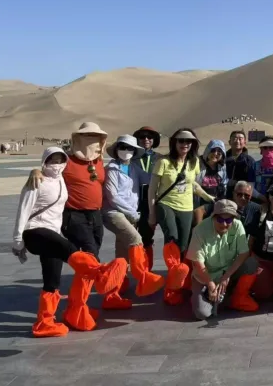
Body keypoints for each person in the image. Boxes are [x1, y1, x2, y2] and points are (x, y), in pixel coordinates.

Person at [13, 147, 127, 336]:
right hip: (34, 232)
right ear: (45, 160)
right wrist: (18, 241)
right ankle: (100, 273)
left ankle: (45, 322)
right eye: (52, 160)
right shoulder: (36, 181)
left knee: (52, 278)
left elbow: (82, 167)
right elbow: (23, 210)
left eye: (60, 160)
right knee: (71, 250)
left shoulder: (61, 180)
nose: (56, 164)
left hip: (54, 233)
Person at [25, 122, 112, 328]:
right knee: (90, 255)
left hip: (95, 216)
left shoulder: (99, 161)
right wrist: (35, 170)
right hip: (73, 216)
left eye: (96, 136)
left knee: (90, 255)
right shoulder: (67, 160)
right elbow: (50, 167)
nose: (92, 139)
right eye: (87, 135)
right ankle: (76, 307)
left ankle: (77, 306)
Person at [147, 128, 213, 305]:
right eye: (181, 141)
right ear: (174, 143)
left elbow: (194, 186)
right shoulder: (163, 162)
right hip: (166, 204)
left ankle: (181, 281)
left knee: (184, 246)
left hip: (187, 207)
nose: (185, 144)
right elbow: (152, 190)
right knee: (172, 240)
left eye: (188, 141)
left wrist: (209, 197)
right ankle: (171, 288)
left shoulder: (194, 163)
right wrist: (152, 214)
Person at [102, 135, 166, 309]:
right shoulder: (112, 169)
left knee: (122, 254)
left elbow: (150, 179)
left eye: (130, 148)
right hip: (115, 213)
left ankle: (114, 291)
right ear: (116, 150)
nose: (126, 151)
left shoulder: (134, 168)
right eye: (122, 147)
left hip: (131, 215)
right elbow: (112, 197)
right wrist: (132, 212)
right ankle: (143, 277)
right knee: (135, 239)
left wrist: (166, 166)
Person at [187, 199, 259, 320]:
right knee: (202, 314)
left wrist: (226, 276)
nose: (224, 224)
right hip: (205, 275)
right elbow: (197, 262)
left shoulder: (237, 225)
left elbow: (244, 253)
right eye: (220, 219)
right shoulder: (200, 230)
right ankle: (207, 296)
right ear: (213, 217)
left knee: (251, 264)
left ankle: (235, 297)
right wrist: (210, 284)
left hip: (228, 270)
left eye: (228, 220)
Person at [132, 126, 161, 268]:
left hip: (157, 200)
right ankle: (142, 271)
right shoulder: (131, 158)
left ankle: (147, 270)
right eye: (142, 137)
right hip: (136, 202)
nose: (146, 140)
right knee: (139, 238)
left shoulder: (160, 158)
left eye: (149, 137)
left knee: (150, 237)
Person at [192, 140, 228, 227]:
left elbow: (224, 184)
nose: (215, 154)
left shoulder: (222, 167)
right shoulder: (197, 163)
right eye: (213, 150)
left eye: (219, 152)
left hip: (214, 205)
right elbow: (192, 184)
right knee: (197, 229)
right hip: (197, 204)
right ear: (207, 150)